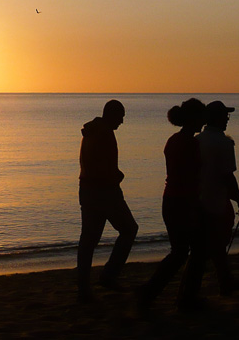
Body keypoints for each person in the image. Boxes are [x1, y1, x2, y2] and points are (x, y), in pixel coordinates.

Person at [138, 98, 207, 311]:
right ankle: (180, 298)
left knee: (181, 252)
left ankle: (154, 293)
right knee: (192, 252)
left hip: (172, 200)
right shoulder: (189, 143)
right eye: (201, 116)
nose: (203, 121)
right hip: (182, 202)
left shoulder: (174, 140)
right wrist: (195, 206)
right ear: (193, 118)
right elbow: (190, 177)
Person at [76, 99, 138, 303]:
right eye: (120, 117)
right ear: (112, 115)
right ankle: (108, 276)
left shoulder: (93, 131)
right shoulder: (104, 134)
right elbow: (102, 167)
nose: (122, 122)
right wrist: (117, 177)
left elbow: (95, 162)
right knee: (129, 229)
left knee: (88, 241)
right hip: (104, 192)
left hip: (88, 190)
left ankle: (85, 288)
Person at [197, 100, 239, 295]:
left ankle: (225, 281)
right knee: (215, 244)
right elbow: (228, 177)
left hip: (200, 200)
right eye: (225, 116)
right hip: (216, 201)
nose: (227, 119)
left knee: (211, 245)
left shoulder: (198, 140)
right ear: (216, 118)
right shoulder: (224, 143)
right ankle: (223, 281)